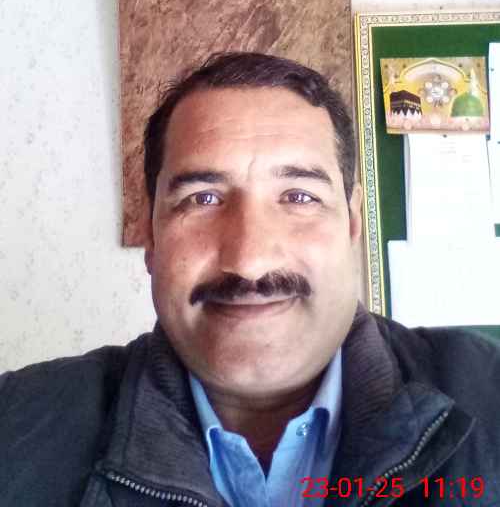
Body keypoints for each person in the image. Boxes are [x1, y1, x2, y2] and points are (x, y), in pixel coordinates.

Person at [1, 51, 499, 507]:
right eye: (202, 199)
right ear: (150, 236)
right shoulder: (14, 428)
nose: (250, 261)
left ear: (351, 225)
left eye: (298, 197)